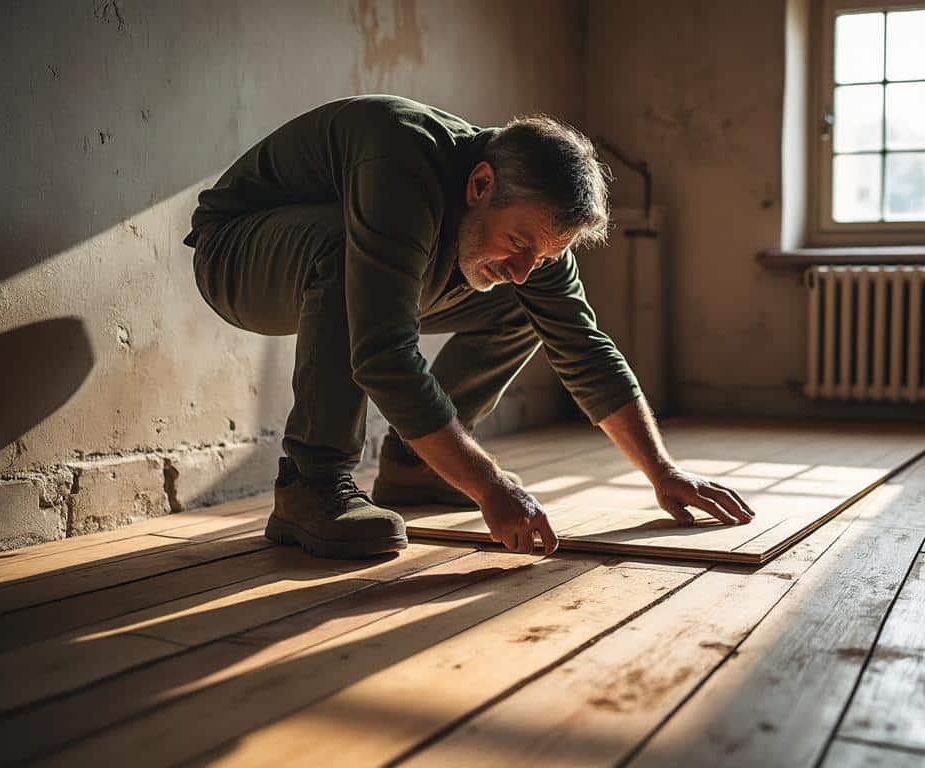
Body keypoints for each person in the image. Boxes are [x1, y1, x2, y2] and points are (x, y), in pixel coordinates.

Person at [185, 95, 756, 559]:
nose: (524, 265)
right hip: (235, 254)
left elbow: (584, 347)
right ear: (480, 185)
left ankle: (414, 467)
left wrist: (662, 469)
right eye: (518, 243)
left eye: (544, 255)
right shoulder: (401, 157)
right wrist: (490, 484)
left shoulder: (527, 214)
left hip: (359, 257)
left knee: (523, 300)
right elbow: (382, 354)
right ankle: (311, 482)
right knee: (344, 251)